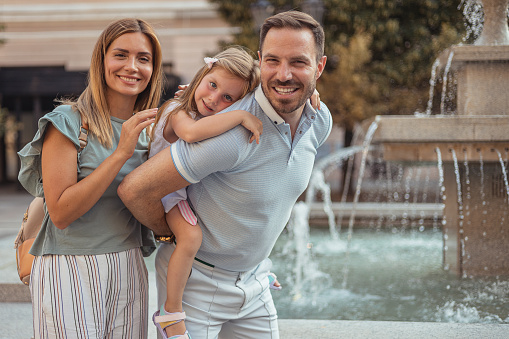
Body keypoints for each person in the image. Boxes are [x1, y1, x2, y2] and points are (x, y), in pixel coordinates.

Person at [118, 10, 330, 339]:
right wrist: (172, 234)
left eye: (299, 62)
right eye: (273, 61)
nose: (284, 74)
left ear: (319, 67)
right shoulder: (229, 135)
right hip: (196, 285)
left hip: (257, 283)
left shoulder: (320, 120)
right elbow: (134, 189)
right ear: (261, 63)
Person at [17, 18, 163, 338]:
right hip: (68, 268)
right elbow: (61, 212)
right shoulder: (67, 122)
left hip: (129, 266)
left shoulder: (152, 132)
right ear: (102, 61)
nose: (132, 66)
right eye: (121, 55)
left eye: (144, 58)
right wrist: (120, 153)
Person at [149, 46, 263, 339]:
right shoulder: (177, 111)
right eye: (212, 85)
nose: (214, 99)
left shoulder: (194, 107)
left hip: (178, 189)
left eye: (228, 97)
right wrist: (238, 115)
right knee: (191, 237)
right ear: (202, 75)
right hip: (163, 190)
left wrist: (312, 95)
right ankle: (171, 313)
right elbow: (190, 134)